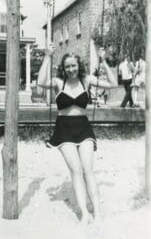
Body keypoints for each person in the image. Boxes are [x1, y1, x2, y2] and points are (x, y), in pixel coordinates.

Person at [37, 45, 118, 225]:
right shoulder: (59, 83)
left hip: (83, 128)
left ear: (79, 65)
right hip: (64, 130)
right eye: (67, 67)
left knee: (88, 170)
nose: (71, 69)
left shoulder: (86, 80)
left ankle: (97, 213)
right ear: (63, 68)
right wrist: (48, 56)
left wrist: (103, 61)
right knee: (76, 171)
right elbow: (41, 82)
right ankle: (84, 213)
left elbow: (113, 84)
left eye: (74, 66)